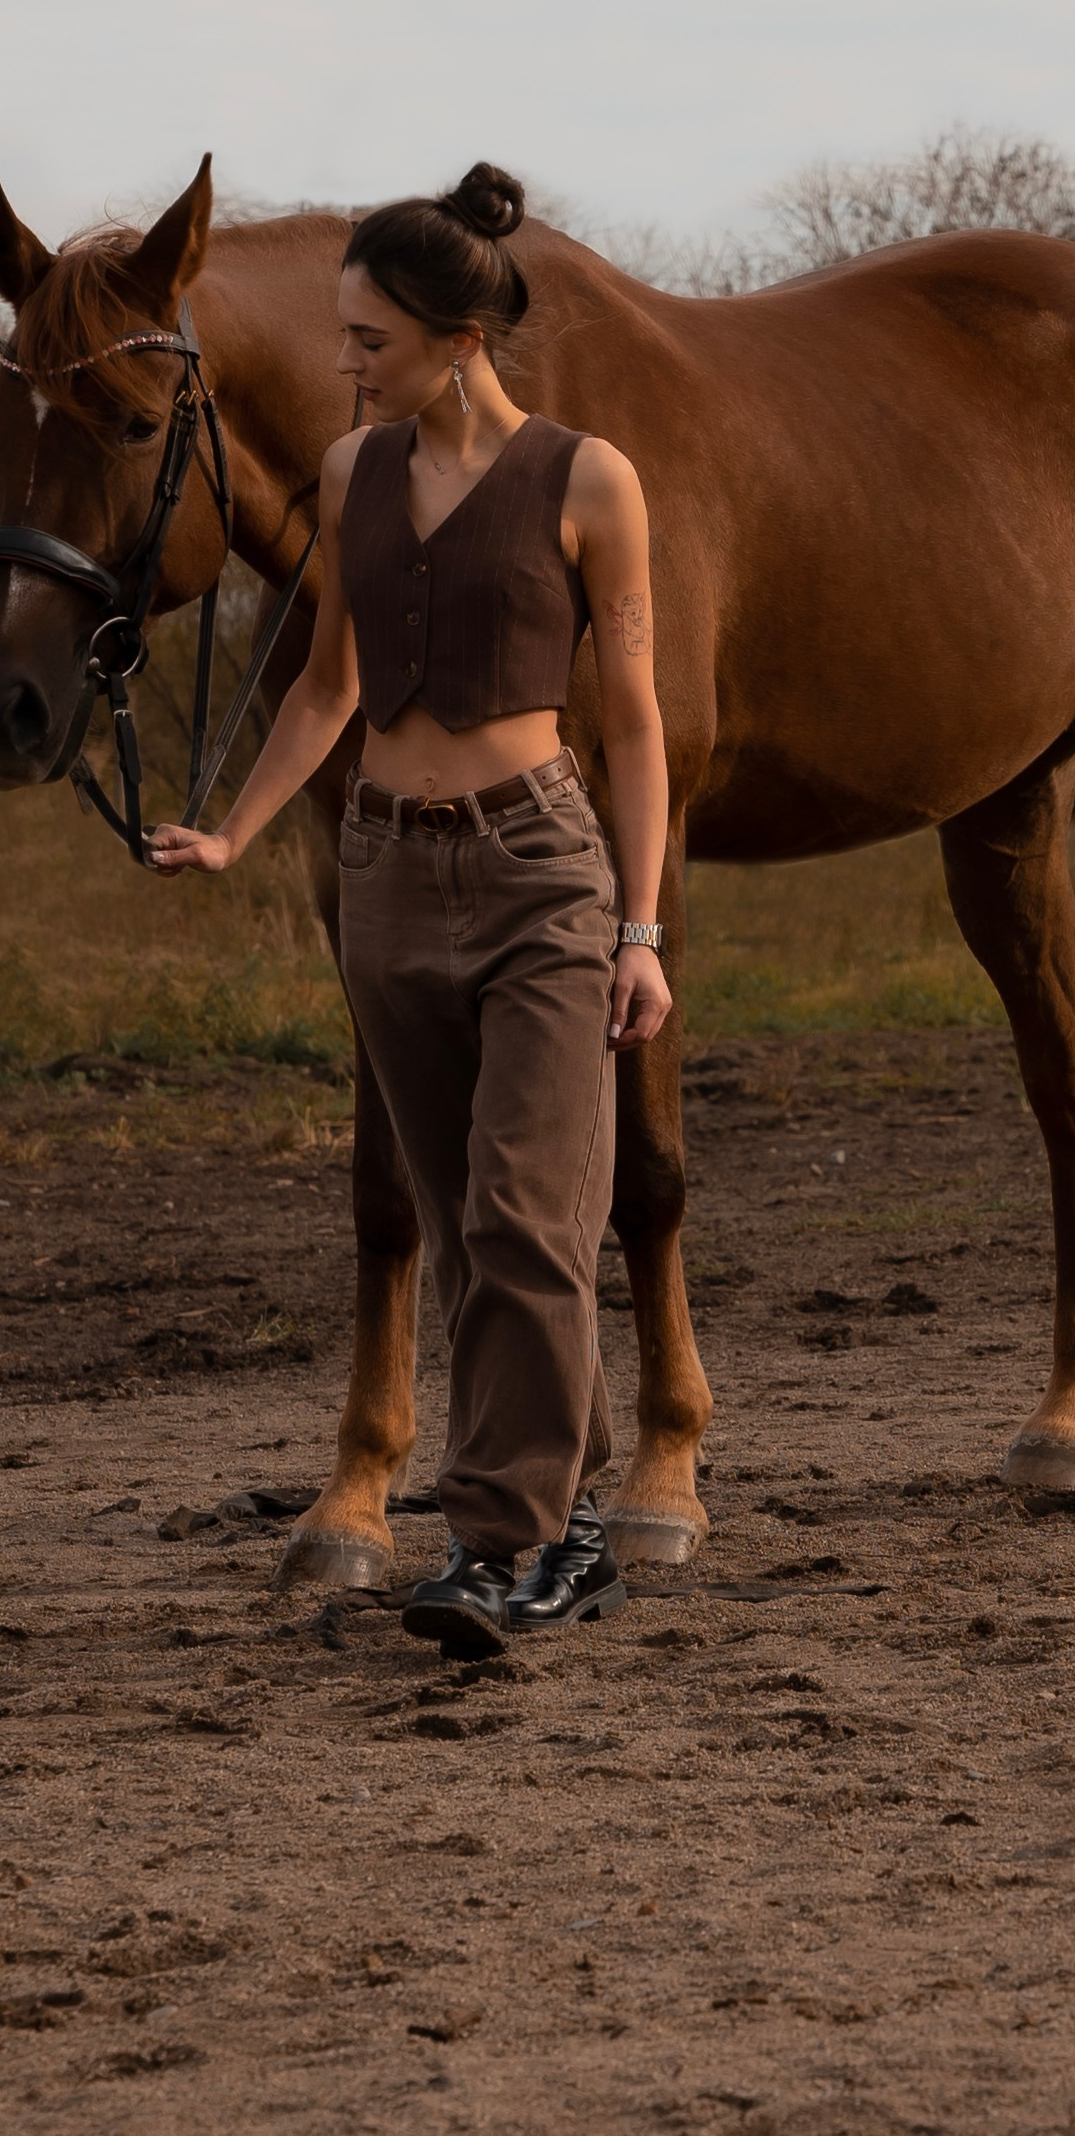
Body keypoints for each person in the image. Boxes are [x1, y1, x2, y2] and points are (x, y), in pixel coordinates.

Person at [149, 162, 672, 1658]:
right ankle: (562, 1538)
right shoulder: (346, 478)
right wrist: (239, 835)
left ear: (459, 339)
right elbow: (326, 688)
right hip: (384, 875)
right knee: (462, 1231)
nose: (342, 364)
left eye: (367, 340)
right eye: (341, 337)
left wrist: (637, 929)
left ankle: (497, 1545)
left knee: (527, 1213)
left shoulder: (590, 481)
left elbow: (629, 721)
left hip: (540, 876)